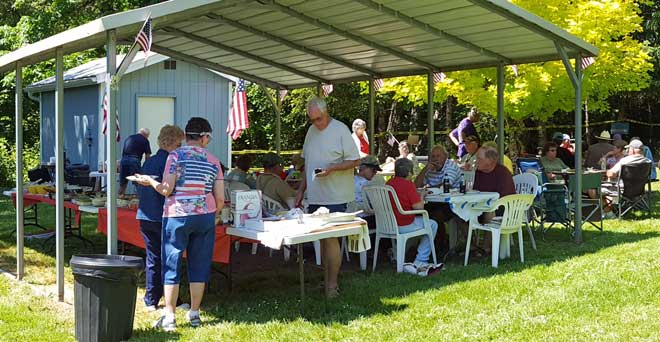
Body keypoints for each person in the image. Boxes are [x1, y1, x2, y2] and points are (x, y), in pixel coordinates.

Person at [135, 117, 224, 331]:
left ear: (187, 135)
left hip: (177, 215)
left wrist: (150, 181)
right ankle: (194, 313)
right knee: (199, 265)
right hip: (204, 216)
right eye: (208, 138)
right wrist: (214, 212)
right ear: (203, 137)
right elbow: (220, 199)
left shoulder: (175, 156)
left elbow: (166, 189)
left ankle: (170, 316)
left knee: (171, 264)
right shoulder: (213, 160)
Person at [295, 96, 360, 298]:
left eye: (319, 119)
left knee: (331, 239)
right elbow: (307, 163)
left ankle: (332, 285)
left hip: (336, 195)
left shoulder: (340, 129)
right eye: (312, 120)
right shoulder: (311, 131)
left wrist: (333, 168)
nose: (316, 123)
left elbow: (355, 160)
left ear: (326, 112)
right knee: (321, 239)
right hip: (316, 195)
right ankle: (327, 279)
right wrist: (301, 189)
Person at [135, 125, 185, 312]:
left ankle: (151, 299)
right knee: (169, 259)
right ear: (173, 143)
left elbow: (141, 185)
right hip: (163, 215)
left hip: (145, 214)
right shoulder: (171, 162)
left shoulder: (150, 161)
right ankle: (173, 300)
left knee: (153, 258)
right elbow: (170, 190)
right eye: (179, 143)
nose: (180, 147)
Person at [386, 158, 438, 274]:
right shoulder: (408, 185)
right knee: (433, 224)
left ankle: (398, 253)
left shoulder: (388, 184)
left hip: (389, 224)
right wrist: (422, 196)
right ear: (409, 172)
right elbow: (419, 208)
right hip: (404, 223)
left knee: (422, 224)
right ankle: (421, 259)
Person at [414, 145, 461, 251]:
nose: (435, 159)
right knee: (419, 212)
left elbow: (445, 185)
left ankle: (441, 242)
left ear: (445, 157)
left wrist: (429, 188)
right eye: (433, 156)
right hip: (435, 201)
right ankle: (435, 242)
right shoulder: (430, 168)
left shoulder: (450, 166)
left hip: (454, 203)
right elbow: (416, 185)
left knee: (436, 214)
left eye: (438, 156)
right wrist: (425, 169)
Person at [119, 128, 152, 195]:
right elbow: (147, 156)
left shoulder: (129, 138)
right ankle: (139, 200)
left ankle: (120, 198)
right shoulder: (145, 140)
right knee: (138, 183)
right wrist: (146, 167)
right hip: (134, 160)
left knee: (123, 183)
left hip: (124, 160)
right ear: (146, 135)